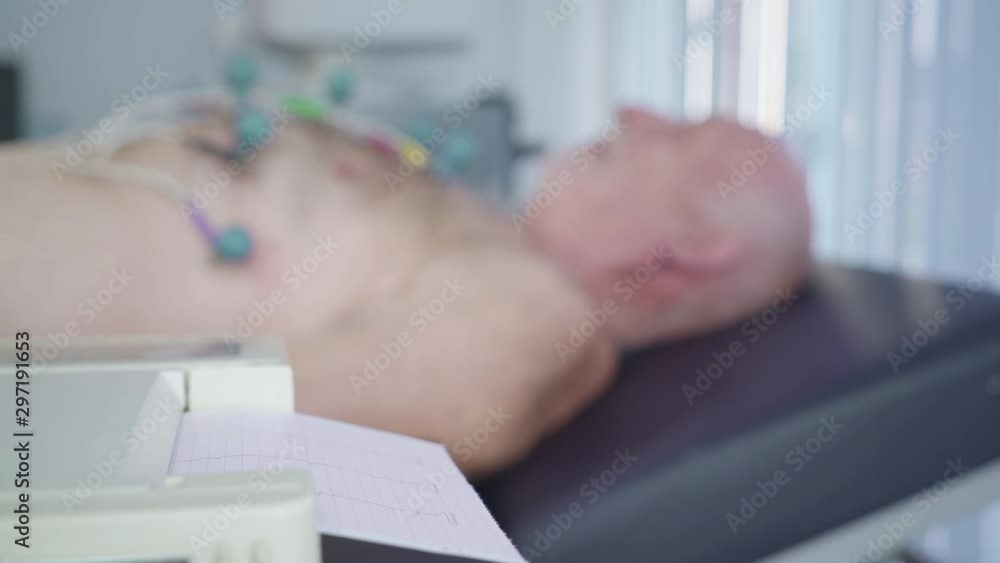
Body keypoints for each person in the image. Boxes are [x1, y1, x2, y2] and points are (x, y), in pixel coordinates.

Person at [0, 103, 810, 478]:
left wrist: (32, 438)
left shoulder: (543, 311)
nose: (634, 114)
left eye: (684, 134)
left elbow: (452, 405)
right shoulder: (489, 241)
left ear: (693, 250)